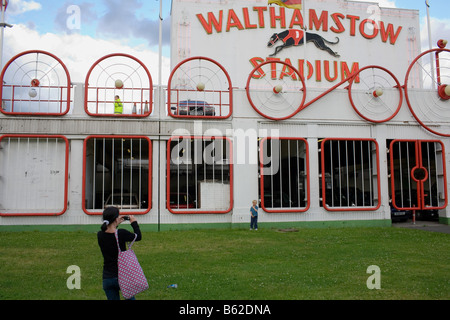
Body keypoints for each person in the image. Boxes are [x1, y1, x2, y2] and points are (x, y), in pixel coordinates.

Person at [97, 206, 142, 300]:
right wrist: (134, 223)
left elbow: (109, 232)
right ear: (116, 218)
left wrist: (115, 224)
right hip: (122, 276)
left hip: (107, 277)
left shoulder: (100, 235)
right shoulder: (121, 233)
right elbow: (138, 236)